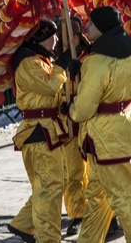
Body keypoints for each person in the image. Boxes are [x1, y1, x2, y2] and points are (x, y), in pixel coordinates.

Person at [66, 7, 131, 242]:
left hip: (102, 135)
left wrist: (72, 110)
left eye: (92, 24)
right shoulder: (126, 54)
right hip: (117, 131)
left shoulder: (98, 61)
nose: (87, 27)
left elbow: (85, 105)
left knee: (124, 197)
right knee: (98, 197)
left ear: (103, 28)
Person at [6, 18, 72, 243]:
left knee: (52, 184)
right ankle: (48, 239)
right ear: (41, 37)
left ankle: (24, 224)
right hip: (38, 132)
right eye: (52, 35)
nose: (56, 40)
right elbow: (49, 85)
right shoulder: (28, 62)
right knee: (49, 189)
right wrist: (62, 65)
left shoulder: (39, 60)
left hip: (47, 130)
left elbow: (51, 94)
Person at [56, 17, 90, 237]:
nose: (71, 40)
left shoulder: (90, 58)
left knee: (96, 171)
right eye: (67, 36)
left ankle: (105, 213)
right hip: (68, 123)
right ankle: (77, 214)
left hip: (88, 120)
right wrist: (62, 103)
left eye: (74, 35)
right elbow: (54, 89)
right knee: (73, 173)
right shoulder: (57, 62)